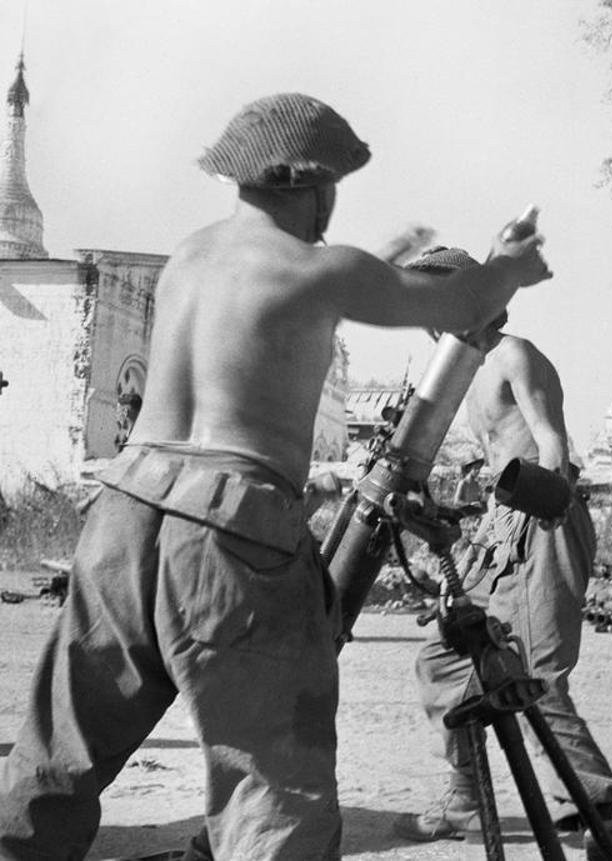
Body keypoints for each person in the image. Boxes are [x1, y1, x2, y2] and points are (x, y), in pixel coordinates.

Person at [0, 93, 551, 861]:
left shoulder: (191, 258)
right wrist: (511, 265)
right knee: (273, 788)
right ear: (316, 184)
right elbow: (464, 297)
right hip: (230, 530)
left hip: (123, 511)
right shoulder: (319, 270)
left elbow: (269, 320)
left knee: (62, 744)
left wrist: (368, 269)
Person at [395, 247, 612, 861]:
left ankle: (593, 811)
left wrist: (543, 497)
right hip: (497, 528)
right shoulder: (459, 369)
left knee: (536, 673)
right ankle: (465, 794)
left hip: (542, 513)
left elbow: (551, 442)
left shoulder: (512, 355)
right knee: (445, 659)